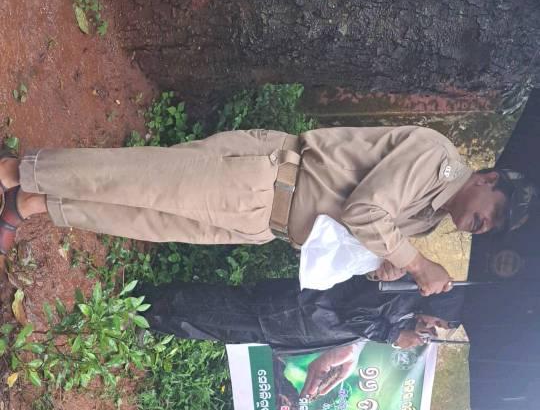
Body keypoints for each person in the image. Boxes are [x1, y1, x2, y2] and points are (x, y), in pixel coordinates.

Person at [0, 126, 536, 294]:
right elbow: (366, 212)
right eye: (492, 213)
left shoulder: (428, 217)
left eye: (490, 229)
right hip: (264, 180)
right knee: (136, 179)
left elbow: (355, 235)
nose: (482, 226)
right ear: (488, 180)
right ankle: (15, 171)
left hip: (264, 222)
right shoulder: (437, 159)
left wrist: (383, 266)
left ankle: (34, 202)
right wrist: (416, 264)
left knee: (146, 220)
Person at [139, 272, 463, 355]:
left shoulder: (408, 310)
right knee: (216, 311)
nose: (432, 326)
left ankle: (151, 317)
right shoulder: (402, 295)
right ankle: (147, 303)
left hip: (288, 323)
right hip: (288, 311)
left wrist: (403, 330)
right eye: (438, 321)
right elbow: (355, 314)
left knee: (217, 326)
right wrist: (393, 335)